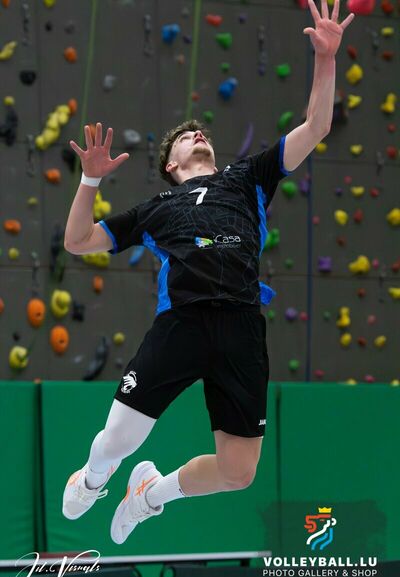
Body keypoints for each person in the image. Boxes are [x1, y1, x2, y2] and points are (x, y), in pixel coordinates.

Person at [62, 0, 354, 544]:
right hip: (183, 323)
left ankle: (150, 495)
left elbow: (317, 125)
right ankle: (95, 478)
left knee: (239, 472)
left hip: (241, 324)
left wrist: (326, 57)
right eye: (185, 136)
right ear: (171, 165)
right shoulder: (156, 209)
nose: (197, 135)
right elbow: (77, 242)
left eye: (202, 134)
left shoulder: (248, 178)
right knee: (118, 440)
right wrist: (90, 181)